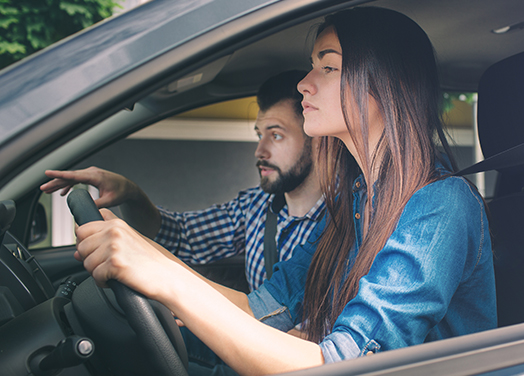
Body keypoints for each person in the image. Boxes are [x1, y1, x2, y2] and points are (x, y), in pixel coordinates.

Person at [71, 7, 497, 375]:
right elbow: (262, 309)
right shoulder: (355, 204)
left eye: (327, 67)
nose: (304, 84)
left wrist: (167, 279)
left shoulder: (441, 205)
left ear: (386, 86)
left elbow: (345, 366)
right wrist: (139, 252)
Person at [41, 70, 325, 292]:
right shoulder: (257, 206)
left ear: (317, 140)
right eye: (258, 134)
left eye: (275, 135)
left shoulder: (344, 222)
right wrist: (131, 193)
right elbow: (180, 236)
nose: (259, 151)